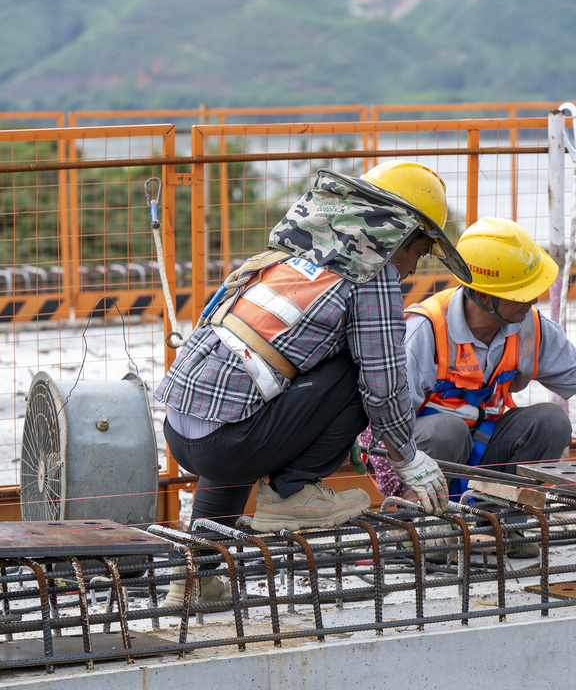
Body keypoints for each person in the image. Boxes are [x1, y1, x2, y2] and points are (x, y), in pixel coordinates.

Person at [153, 160, 467, 605]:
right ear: (401, 233)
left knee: (244, 416)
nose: (414, 268)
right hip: (230, 442)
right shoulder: (370, 271)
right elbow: (382, 381)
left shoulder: (293, 253)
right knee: (361, 369)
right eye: (419, 251)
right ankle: (292, 492)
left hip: (184, 434)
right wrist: (407, 456)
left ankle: (192, 580)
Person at [359, 216, 576, 512]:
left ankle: (497, 517)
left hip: (482, 446)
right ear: (481, 294)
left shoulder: (530, 328)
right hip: (418, 455)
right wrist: (401, 482)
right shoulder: (425, 331)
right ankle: (418, 522)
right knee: (448, 430)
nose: (531, 300)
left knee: (550, 421)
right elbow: (381, 421)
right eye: (519, 292)